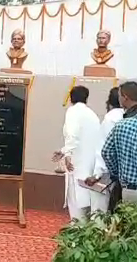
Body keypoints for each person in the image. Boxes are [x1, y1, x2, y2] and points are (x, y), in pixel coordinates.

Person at [52, 86, 103, 221]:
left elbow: (72, 135)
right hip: (91, 166)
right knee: (87, 204)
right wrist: (64, 151)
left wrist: (67, 154)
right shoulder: (92, 115)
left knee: (76, 205)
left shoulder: (73, 112)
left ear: (71, 98)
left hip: (77, 164)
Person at [84, 87, 124, 212]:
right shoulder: (130, 115)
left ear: (110, 103)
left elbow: (105, 149)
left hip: (106, 175)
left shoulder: (111, 118)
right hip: (123, 176)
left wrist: (97, 175)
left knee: (99, 213)